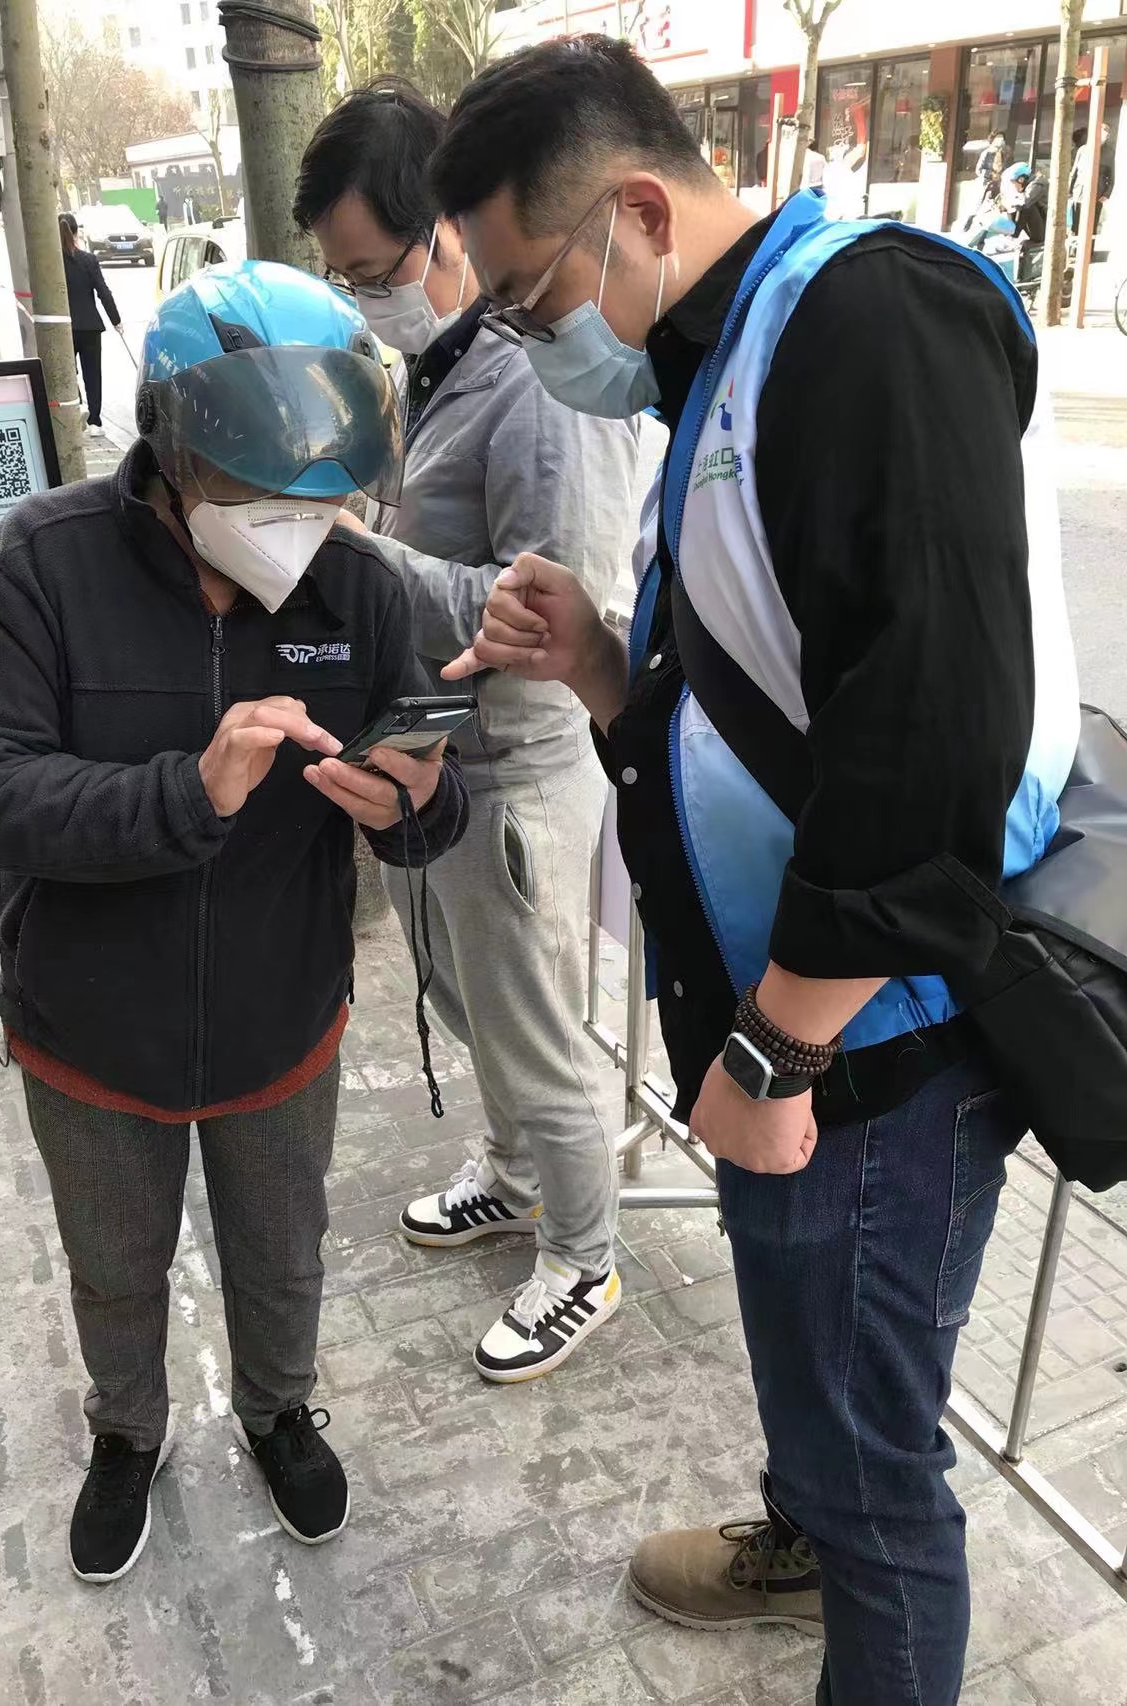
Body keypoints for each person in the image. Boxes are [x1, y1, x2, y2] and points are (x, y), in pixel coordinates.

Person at [432, 36, 1079, 1705]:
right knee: (818, 1376)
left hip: (868, 1048)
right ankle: (801, 1537)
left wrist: (779, 1044)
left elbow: (928, 735)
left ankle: (839, 1557)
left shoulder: (865, 322)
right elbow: (766, 691)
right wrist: (600, 663)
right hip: (781, 1037)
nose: (530, 342)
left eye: (529, 297)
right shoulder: (728, 353)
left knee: (879, 1470)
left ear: (639, 214)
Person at [0, 260, 469, 1583]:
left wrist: (411, 807)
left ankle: (279, 1410)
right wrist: (187, 793)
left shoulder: (359, 588)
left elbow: (428, 796)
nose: (297, 519)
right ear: (171, 451)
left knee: (283, 1253)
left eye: (322, 491)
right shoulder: (39, 567)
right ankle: (128, 1430)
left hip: (283, 1021)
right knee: (115, 1263)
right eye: (258, 486)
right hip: (90, 1031)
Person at [294, 78, 640, 1382]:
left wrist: (358, 550)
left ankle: (584, 1257)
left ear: (443, 229)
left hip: (512, 772)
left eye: (371, 270)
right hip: (430, 758)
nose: (362, 298)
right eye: (341, 279)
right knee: (468, 1001)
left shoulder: (539, 385)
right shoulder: (431, 367)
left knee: (536, 1033)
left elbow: (554, 609)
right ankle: (509, 1172)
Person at [59, 213, 120, 438]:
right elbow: (103, 292)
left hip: (63, 328)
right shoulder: (88, 260)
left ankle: (76, 409)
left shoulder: (51, 264)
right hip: (90, 326)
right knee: (93, 375)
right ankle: (95, 421)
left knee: (67, 373)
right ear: (76, 233)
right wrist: (116, 320)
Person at [1070, 122, 1114, 237]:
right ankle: (1075, 246)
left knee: (1092, 226)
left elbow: (1112, 176)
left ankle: (1090, 248)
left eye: (1105, 135)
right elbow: (1074, 172)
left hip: (1097, 193)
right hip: (1080, 192)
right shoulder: (1082, 150)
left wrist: (1107, 194)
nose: (1103, 137)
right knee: (1076, 224)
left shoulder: (1109, 153)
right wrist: (1069, 190)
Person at [975, 128, 1007, 209]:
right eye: (998, 138)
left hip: (999, 186)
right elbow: (978, 170)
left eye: (1002, 138)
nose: (1001, 140)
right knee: (980, 206)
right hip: (985, 185)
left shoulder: (1003, 154)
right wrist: (991, 174)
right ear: (993, 139)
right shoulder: (986, 153)